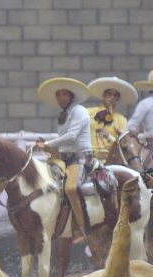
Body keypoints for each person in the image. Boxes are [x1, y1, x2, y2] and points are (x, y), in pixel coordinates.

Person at [35, 77, 92, 234]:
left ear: (71, 97)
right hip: (64, 158)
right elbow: (63, 142)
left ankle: (82, 227)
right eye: (58, 95)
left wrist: (48, 144)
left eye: (64, 95)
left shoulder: (79, 111)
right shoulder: (64, 115)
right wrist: (46, 145)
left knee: (72, 188)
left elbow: (72, 136)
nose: (61, 98)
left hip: (80, 157)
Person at [86, 76, 137, 162]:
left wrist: (108, 136)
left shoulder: (121, 119)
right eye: (109, 94)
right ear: (103, 95)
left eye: (115, 95)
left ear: (117, 98)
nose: (111, 97)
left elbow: (124, 144)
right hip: (90, 157)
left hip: (112, 159)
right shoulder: (89, 112)